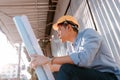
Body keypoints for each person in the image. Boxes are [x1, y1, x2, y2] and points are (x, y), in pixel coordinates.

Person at [30, 15, 120, 80]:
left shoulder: (88, 34)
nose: (58, 34)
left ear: (69, 27)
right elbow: (64, 67)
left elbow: (84, 59)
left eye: (59, 30)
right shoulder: (70, 48)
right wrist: (45, 65)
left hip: (110, 76)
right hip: (92, 76)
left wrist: (49, 59)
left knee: (66, 69)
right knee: (57, 74)